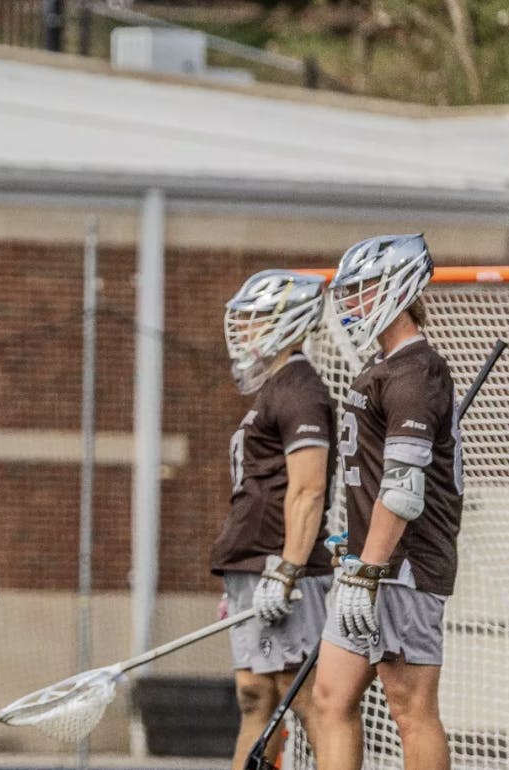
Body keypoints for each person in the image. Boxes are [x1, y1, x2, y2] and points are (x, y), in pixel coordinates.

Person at [311, 234, 460, 770]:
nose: (352, 302)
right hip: (366, 563)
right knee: (329, 698)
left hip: (403, 565)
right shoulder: (382, 367)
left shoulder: (417, 372)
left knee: (409, 706)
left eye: (365, 289)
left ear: (398, 289)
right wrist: (351, 550)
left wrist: (367, 572)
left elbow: (402, 490)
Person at [209, 270, 334, 768]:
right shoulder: (275, 387)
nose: (246, 332)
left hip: (281, 567)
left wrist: (285, 570)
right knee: (255, 694)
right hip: (252, 564)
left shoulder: (301, 388)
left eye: (257, 320)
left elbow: (308, 488)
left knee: (300, 694)